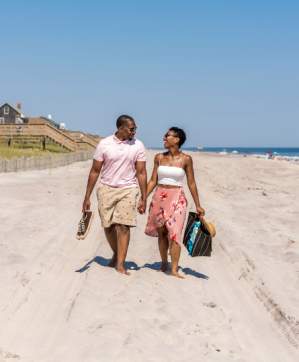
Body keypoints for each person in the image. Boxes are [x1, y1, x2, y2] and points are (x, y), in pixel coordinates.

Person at [82, 115, 147, 275]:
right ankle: (117, 253)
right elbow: (95, 171)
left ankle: (120, 264)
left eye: (135, 128)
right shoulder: (104, 144)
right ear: (121, 128)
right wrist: (87, 196)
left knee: (123, 226)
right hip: (106, 189)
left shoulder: (138, 145)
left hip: (128, 189)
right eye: (132, 128)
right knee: (108, 226)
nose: (134, 131)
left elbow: (141, 172)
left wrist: (144, 197)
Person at [145, 127, 205, 278]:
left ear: (177, 139)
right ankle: (164, 262)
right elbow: (153, 180)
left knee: (175, 232)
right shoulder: (158, 157)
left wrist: (198, 204)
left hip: (178, 198)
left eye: (167, 136)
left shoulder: (186, 159)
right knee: (162, 232)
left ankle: (174, 268)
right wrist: (143, 197)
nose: (164, 138)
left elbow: (191, 183)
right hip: (159, 197)